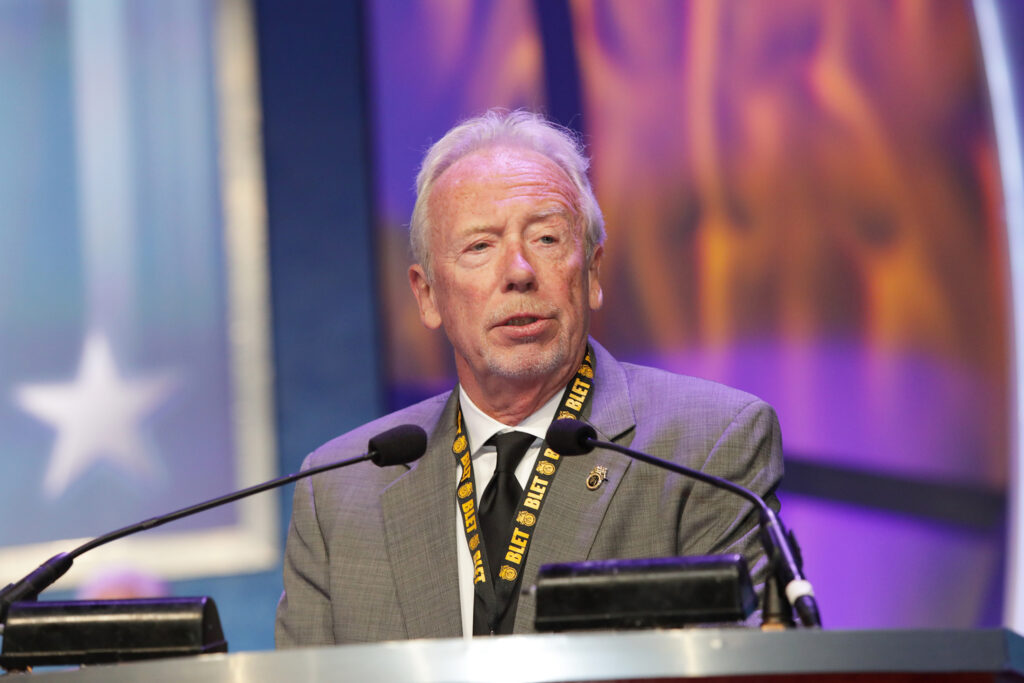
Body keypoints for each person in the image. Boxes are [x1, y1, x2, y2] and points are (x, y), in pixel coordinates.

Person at [275, 109, 783, 646]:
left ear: (592, 272)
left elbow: (732, 668)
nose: (518, 271)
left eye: (545, 239)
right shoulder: (338, 489)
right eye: (480, 246)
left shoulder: (707, 447)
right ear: (427, 295)